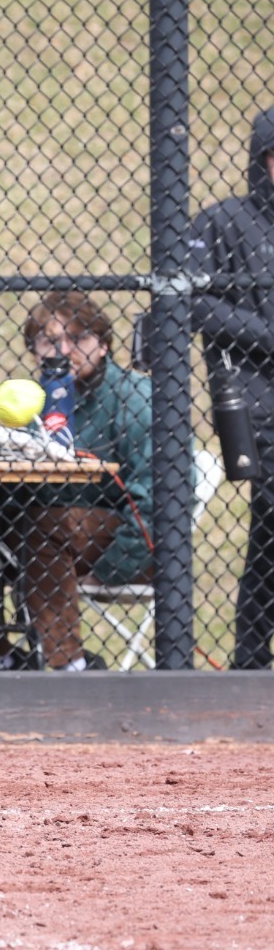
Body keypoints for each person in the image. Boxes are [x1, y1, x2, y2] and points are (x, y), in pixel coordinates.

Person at [0, 292, 154, 671]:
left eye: (78, 339)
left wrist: (110, 569)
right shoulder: (26, 401)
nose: (63, 350)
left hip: (115, 540)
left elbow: (157, 500)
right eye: (50, 341)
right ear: (34, 349)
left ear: (103, 345)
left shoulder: (133, 397)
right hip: (37, 535)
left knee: (46, 523)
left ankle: (69, 666)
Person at [191, 105, 274, 668]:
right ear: (264, 161)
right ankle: (250, 657)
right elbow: (189, 298)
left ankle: (250, 656)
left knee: (269, 532)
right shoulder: (222, 223)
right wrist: (265, 332)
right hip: (258, 396)